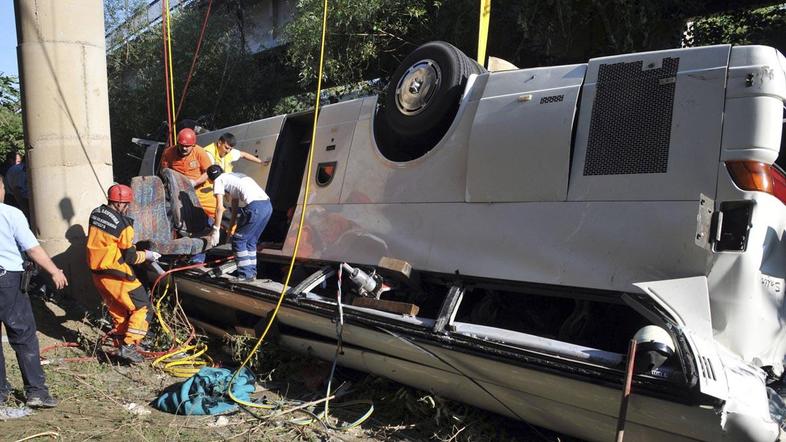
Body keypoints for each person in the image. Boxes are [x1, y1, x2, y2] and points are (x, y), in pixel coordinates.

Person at [0, 174, 67, 408]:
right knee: (24, 335)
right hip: (7, 280)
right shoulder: (10, 214)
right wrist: (54, 271)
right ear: (0, 188)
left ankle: (1, 394)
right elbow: (33, 250)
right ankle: (36, 392)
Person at [86, 184, 161, 363]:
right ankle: (129, 345)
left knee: (119, 310)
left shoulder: (95, 214)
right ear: (121, 204)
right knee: (142, 306)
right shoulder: (124, 225)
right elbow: (130, 257)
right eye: (127, 204)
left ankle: (119, 344)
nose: (127, 208)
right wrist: (148, 255)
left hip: (97, 274)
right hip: (117, 274)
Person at [207, 165, 272, 282]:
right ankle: (251, 273)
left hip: (255, 207)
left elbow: (220, 208)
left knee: (238, 241)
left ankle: (245, 275)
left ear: (210, 180)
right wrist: (230, 229)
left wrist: (216, 229)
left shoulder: (218, 181)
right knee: (251, 241)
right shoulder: (233, 176)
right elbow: (235, 208)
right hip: (267, 206)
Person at [159, 128, 216, 218]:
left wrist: (195, 182)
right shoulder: (169, 153)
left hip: (200, 189)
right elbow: (164, 171)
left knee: (216, 211)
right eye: (181, 145)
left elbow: (207, 172)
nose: (184, 148)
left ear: (193, 145)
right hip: (179, 191)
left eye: (187, 146)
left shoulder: (200, 152)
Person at [204, 133, 269, 173]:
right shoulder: (209, 153)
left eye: (230, 149)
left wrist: (260, 162)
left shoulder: (229, 152)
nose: (228, 151)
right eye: (226, 148)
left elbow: (243, 155)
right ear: (219, 143)